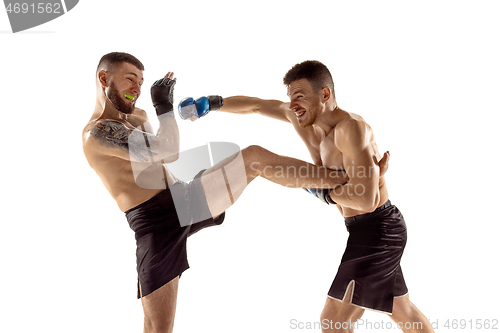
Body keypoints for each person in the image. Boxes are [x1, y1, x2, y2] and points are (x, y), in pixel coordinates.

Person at [82, 53, 389, 333]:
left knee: (253, 157)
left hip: (185, 200)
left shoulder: (136, 117)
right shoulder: (96, 134)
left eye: (140, 79)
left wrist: (212, 103)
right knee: (158, 327)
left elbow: (253, 107)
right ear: (104, 78)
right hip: (154, 225)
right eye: (129, 78)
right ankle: (340, 180)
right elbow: (168, 150)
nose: (136, 86)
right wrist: (164, 106)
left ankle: (338, 179)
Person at [180, 60, 434, 333]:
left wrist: (320, 189)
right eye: (291, 97)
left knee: (333, 322)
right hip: (366, 228)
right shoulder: (300, 118)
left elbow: (366, 200)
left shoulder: (351, 130)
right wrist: (212, 103)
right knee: (403, 310)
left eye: (299, 97)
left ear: (325, 95)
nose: (292, 105)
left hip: (379, 229)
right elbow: (257, 105)